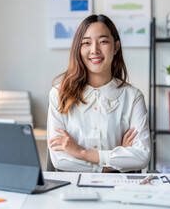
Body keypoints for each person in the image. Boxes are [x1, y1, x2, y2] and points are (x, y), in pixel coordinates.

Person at [47, 14, 150, 173]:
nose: (94, 50)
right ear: (79, 49)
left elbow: (142, 155)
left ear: (115, 47)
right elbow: (60, 159)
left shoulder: (133, 97)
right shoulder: (59, 94)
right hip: (73, 188)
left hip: (119, 188)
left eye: (103, 42)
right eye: (86, 43)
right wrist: (112, 164)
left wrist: (81, 153)